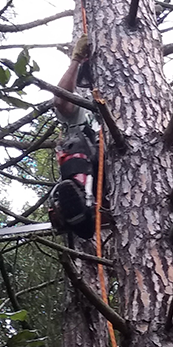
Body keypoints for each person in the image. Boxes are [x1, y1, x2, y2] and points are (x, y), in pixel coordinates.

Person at [48, 34, 98, 240]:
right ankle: (77, 205)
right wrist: (76, 59)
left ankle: (80, 212)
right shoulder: (80, 107)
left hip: (117, 163)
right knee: (77, 146)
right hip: (85, 166)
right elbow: (60, 100)